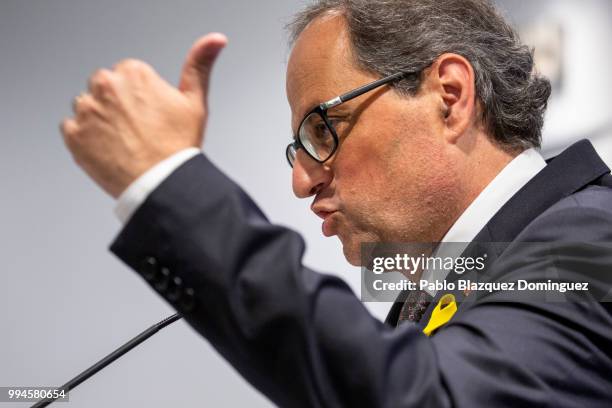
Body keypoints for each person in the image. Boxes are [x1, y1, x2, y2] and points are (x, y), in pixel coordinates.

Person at [60, 0, 612, 406]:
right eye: (298, 148)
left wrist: (168, 184)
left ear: (450, 96)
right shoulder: (436, 294)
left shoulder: (587, 245)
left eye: (322, 130)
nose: (302, 182)